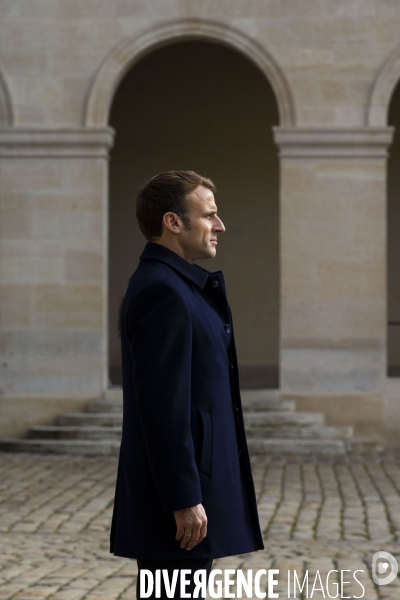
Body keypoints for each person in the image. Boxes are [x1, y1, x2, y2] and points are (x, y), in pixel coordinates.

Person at [110, 171, 263, 599]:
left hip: (189, 493)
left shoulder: (178, 286)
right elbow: (162, 407)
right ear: (172, 222)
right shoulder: (163, 292)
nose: (220, 226)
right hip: (179, 505)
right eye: (209, 215)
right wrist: (183, 498)